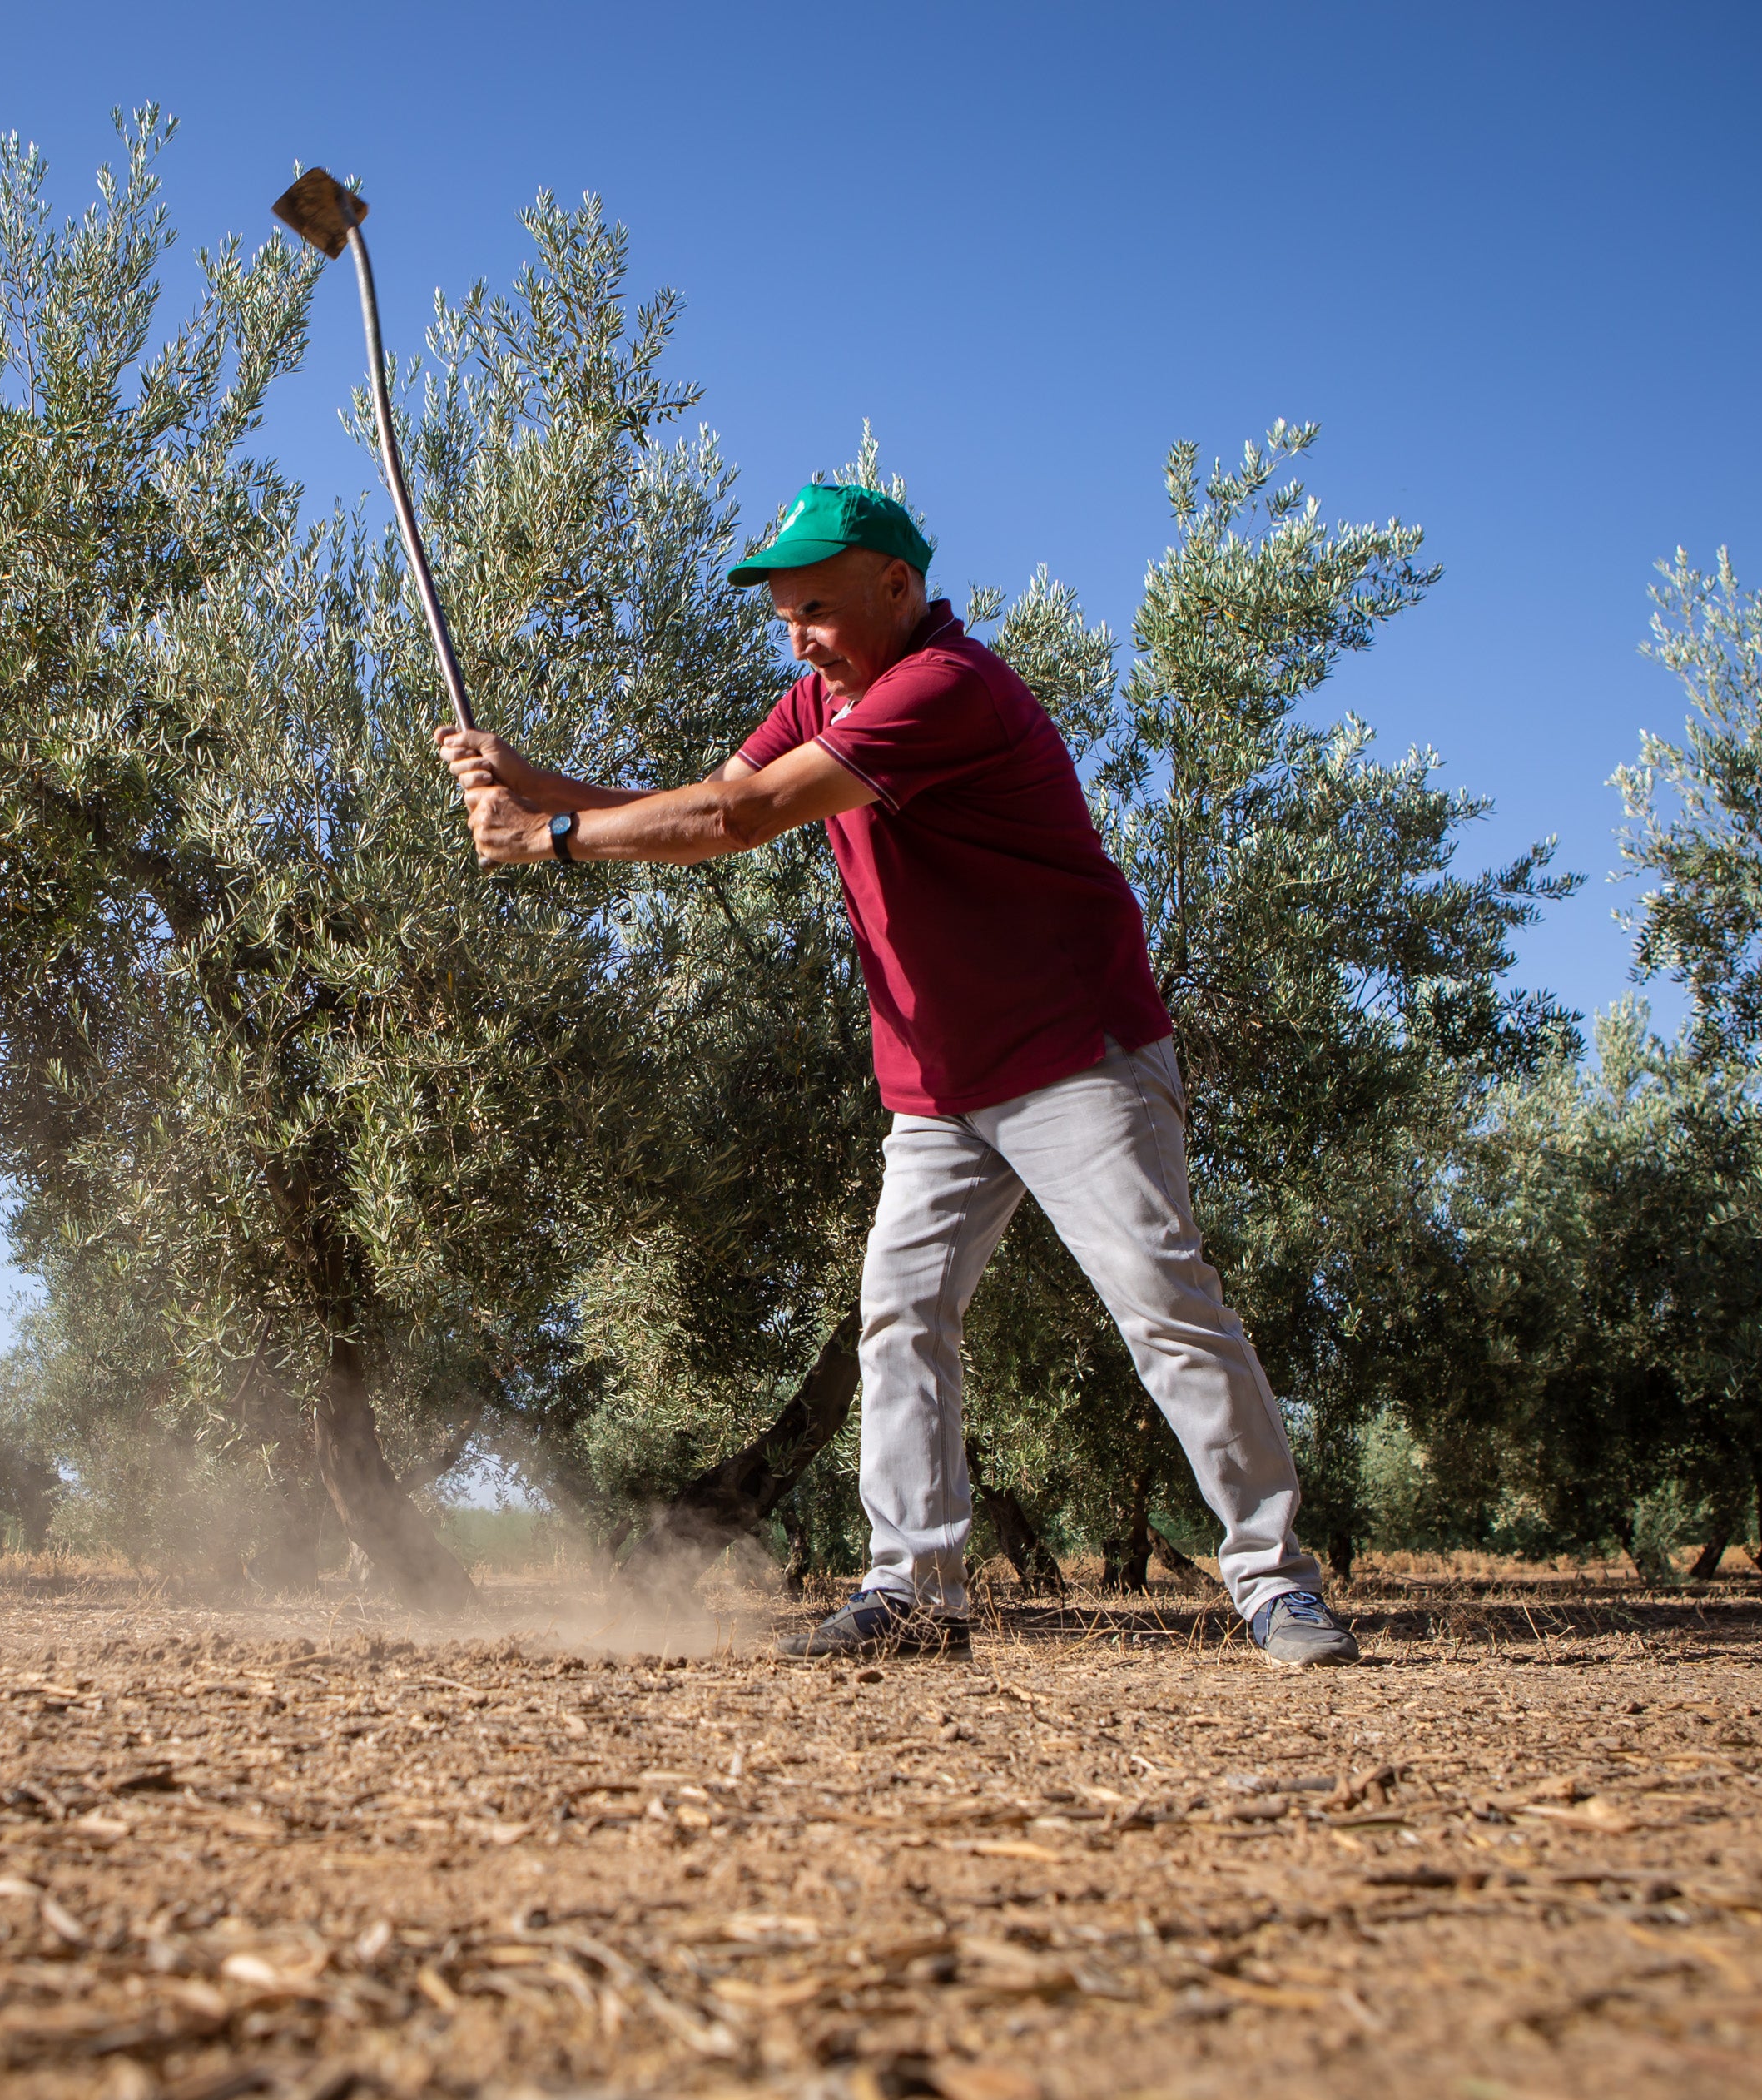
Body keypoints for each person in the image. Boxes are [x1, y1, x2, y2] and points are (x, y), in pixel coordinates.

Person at [437, 481, 1358, 1668]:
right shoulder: (822, 697)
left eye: (814, 609)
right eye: (781, 616)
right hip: (937, 1082)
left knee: (1163, 1304)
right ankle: (916, 1590)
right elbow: (699, 802)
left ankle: (1275, 1582)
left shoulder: (943, 691)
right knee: (900, 1314)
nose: (797, 637)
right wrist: (542, 788)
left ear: (895, 586)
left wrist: (544, 841)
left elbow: (739, 818)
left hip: (1075, 1058)